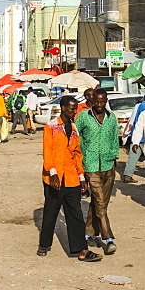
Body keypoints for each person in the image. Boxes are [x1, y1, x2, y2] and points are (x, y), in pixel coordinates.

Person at [37, 95, 103, 262]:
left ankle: (81, 250)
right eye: (72, 108)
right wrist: (52, 174)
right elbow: (48, 152)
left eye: (75, 108)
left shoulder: (74, 129)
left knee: (75, 215)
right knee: (51, 212)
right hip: (54, 178)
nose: (75, 112)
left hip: (71, 178)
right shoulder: (51, 127)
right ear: (64, 108)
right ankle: (44, 244)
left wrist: (81, 176)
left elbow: (77, 154)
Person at [76, 89, 120, 255]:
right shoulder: (83, 117)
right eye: (97, 102)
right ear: (91, 101)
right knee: (100, 202)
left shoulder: (111, 118)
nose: (100, 105)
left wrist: (114, 156)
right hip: (91, 166)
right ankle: (109, 239)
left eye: (103, 101)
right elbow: (76, 138)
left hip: (108, 164)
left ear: (106, 100)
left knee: (99, 203)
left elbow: (115, 138)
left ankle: (88, 233)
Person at [121, 91, 145, 183]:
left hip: (136, 136)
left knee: (133, 158)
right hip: (143, 137)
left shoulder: (139, 105)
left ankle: (127, 175)